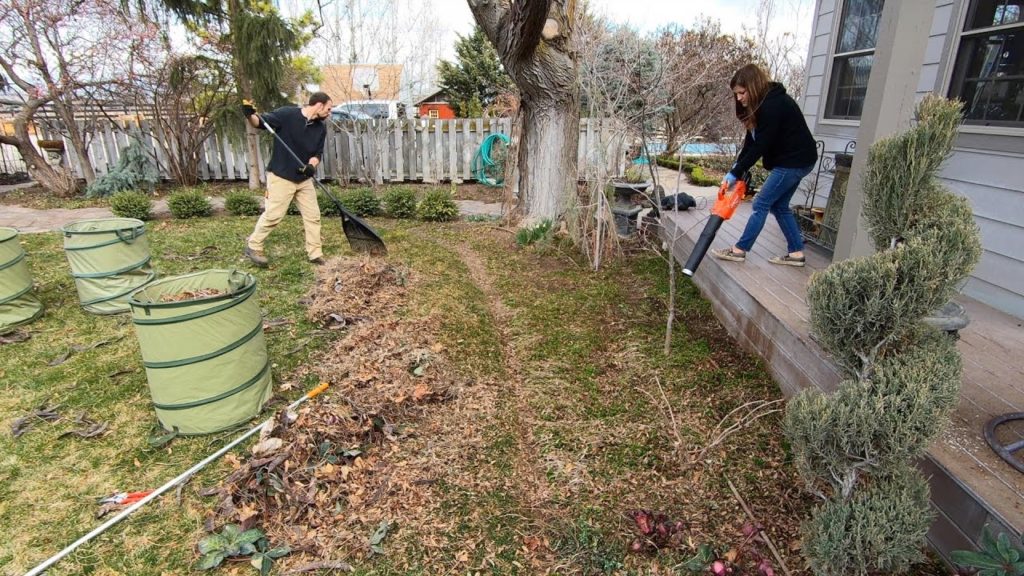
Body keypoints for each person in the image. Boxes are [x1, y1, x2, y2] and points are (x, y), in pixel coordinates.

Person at [712, 64, 817, 267]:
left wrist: (737, 171)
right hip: (797, 159)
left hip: (795, 161)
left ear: (753, 86)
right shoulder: (760, 106)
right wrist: (736, 167)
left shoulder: (772, 105)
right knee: (779, 206)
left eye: (742, 93)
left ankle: (739, 250)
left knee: (760, 203)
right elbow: (751, 141)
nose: (739, 98)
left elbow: (762, 144)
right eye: (736, 94)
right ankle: (796, 253)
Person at [241, 92, 333, 267]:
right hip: (281, 177)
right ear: (319, 105)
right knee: (273, 215)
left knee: (313, 216)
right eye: (328, 108)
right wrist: (249, 114)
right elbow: (260, 122)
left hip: (303, 179)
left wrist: (312, 166)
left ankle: (315, 253)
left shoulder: (320, 127)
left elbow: (317, 154)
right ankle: (253, 245)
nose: (330, 112)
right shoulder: (287, 115)